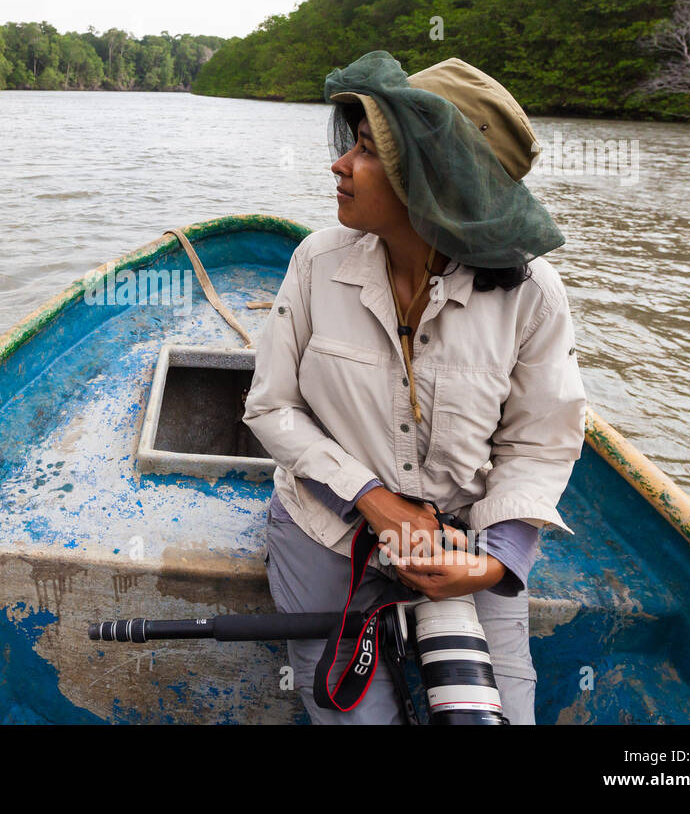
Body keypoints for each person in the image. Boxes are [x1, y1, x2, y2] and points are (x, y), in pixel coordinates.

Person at [242, 50, 587, 724]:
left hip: (464, 541)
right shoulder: (317, 261)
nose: (339, 165)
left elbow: (541, 443)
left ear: (428, 183)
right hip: (327, 530)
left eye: (366, 153)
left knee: (497, 716)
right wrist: (373, 501)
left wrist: (492, 565)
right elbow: (272, 405)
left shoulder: (533, 294)